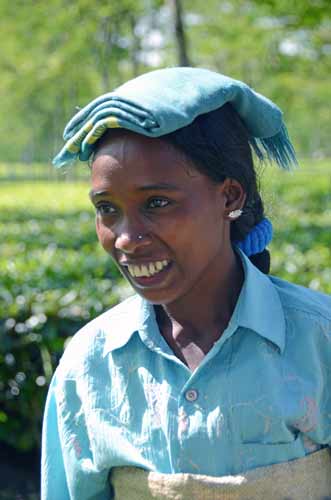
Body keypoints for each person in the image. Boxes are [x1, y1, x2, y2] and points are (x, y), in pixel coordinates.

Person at [41, 67, 331, 500]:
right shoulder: (89, 366)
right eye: (107, 208)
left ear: (230, 197)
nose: (125, 237)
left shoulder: (318, 342)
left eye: (157, 203)